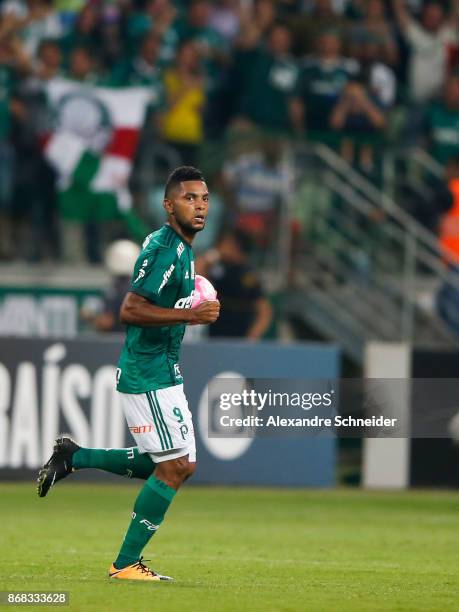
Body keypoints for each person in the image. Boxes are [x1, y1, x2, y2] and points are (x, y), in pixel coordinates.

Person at [36, 166, 220, 582]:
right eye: (190, 198)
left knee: (175, 463)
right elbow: (130, 310)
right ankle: (124, 564)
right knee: (175, 467)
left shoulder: (180, 249)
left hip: (162, 370)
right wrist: (189, 315)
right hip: (147, 371)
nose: (200, 206)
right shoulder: (166, 249)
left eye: (205, 199)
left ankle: (74, 457)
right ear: (169, 204)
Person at [196, 229, 273, 339]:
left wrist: (252, 337)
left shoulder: (248, 274)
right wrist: (209, 257)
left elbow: (264, 310)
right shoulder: (218, 268)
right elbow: (197, 276)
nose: (221, 246)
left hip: (239, 337)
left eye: (227, 243)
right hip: (215, 337)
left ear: (236, 246)